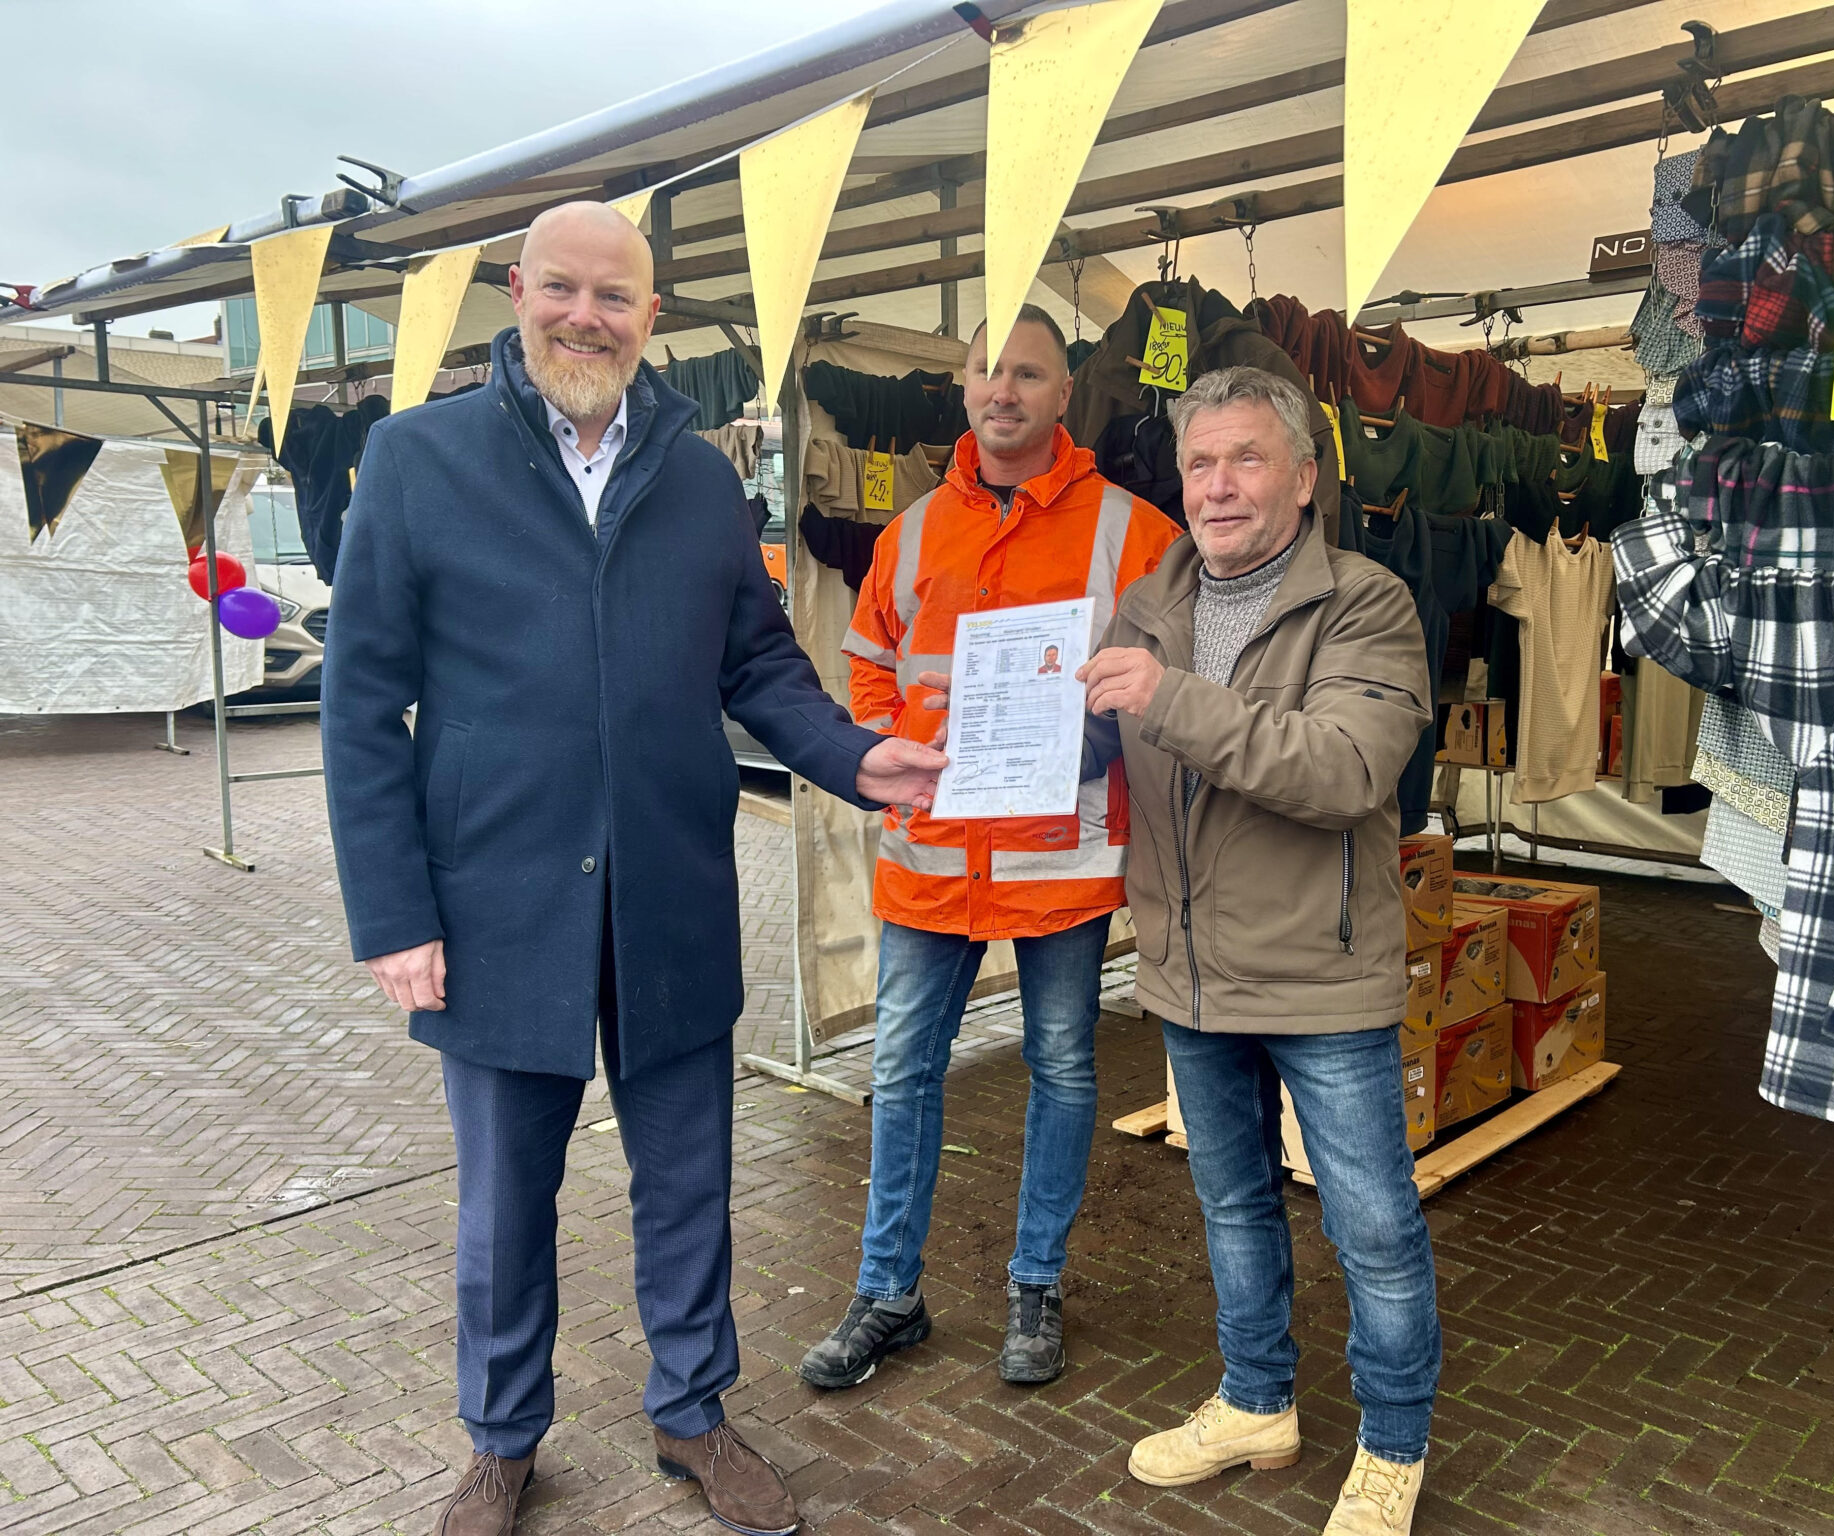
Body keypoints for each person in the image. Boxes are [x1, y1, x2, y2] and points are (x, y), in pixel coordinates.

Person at [321, 202, 944, 1536]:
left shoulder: (705, 476)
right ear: (517, 289)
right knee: (503, 1202)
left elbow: (759, 663)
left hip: (667, 896)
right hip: (494, 907)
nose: (587, 317)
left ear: (653, 316)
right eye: (564, 290)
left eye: (616, 297)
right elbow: (359, 703)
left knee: (689, 1184)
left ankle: (693, 1413)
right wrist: (392, 915)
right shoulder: (417, 459)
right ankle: (500, 1440)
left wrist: (858, 759)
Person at [1075, 367, 1439, 1536]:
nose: (1217, 486)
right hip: (1186, 970)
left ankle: (1391, 1446)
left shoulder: (1367, 603)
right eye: (1198, 463)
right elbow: (1121, 755)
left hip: (1320, 976)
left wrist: (1164, 697)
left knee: (1370, 1228)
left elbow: (1340, 772)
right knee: (1231, 1206)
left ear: (1300, 474)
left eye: (1243, 459)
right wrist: (1031, 734)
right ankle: (1255, 1402)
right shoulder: (1147, 603)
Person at [800, 303, 1180, 1391]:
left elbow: (1168, 679)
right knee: (902, 1070)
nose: (1000, 390)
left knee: (1061, 1068)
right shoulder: (912, 530)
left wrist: (1094, 735)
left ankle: (1036, 1283)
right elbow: (867, 659)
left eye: (1026, 372)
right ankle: (887, 1294)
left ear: (1065, 394)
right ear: (961, 388)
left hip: (1056, 861)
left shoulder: (1130, 531)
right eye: (983, 371)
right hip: (930, 853)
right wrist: (902, 750)